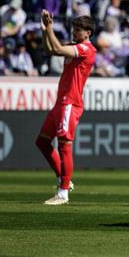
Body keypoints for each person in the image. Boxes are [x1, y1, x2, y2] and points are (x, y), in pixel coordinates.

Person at [35, 11, 96, 205]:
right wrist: (46, 31)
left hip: (71, 102)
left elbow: (59, 49)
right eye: (74, 28)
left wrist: (50, 28)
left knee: (64, 145)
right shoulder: (75, 46)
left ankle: (63, 193)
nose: (74, 32)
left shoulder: (86, 49)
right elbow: (51, 50)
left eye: (78, 29)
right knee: (42, 142)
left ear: (88, 33)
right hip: (61, 102)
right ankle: (64, 180)